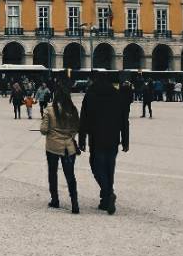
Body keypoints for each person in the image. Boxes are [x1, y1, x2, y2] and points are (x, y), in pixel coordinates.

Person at [78, 72, 130, 214]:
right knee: (109, 167)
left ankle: (107, 193)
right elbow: (124, 119)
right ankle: (106, 199)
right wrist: (125, 140)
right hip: (113, 137)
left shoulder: (91, 94)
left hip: (96, 137)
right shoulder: (118, 95)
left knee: (96, 166)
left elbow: (84, 117)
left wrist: (81, 138)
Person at [40, 85, 81, 214]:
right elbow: (76, 129)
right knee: (70, 175)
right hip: (68, 147)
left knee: (53, 173)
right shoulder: (73, 110)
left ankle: (55, 199)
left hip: (53, 146)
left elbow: (44, 130)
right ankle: (74, 203)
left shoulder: (49, 110)